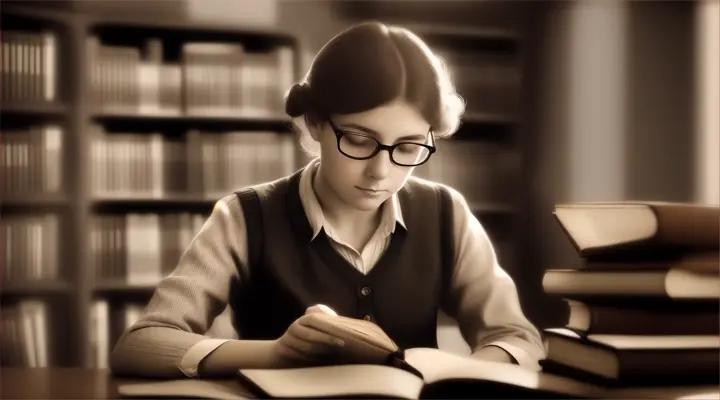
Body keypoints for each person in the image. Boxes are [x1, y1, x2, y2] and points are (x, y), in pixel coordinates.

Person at [110, 21, 545, 379]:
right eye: (358, 140)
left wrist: (457, 374)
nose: (382, 171)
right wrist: (275, 354)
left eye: (409, 147)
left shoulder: (447, 213)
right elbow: (140, 345)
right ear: (316, 123)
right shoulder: (245, 216)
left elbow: (518, 338)